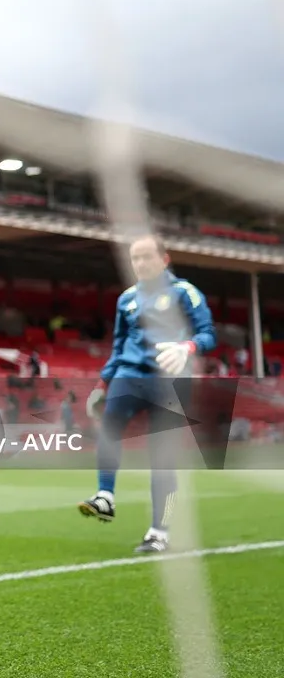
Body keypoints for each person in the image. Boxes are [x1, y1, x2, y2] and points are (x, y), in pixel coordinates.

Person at [77, 235, 216, 554]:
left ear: (164, 259)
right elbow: (118, 345)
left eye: (146, 256)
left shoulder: (184, 292)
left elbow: (208, 333)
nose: (139, 263)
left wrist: (187, 347)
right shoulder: (126, 299)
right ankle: (105, 496)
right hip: (129, 375)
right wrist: (101, 384)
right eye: (135, 258)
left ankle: (159, 532)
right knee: (109, 427)